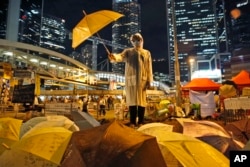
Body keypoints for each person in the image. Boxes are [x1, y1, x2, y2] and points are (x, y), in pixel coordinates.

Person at [108, 33, 153, 127]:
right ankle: (132, 122)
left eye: (138, 39)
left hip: (142, 80)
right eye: (134, 40)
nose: (137, 41)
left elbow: (149, 68)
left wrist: (150, 80)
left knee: (142, 101)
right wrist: (114, 57)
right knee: (132, 101)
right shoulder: (128, 51)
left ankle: (140, 121)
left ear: (142, 40)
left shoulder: (146, 53)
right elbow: (120, 56)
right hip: (131, 80)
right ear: (132, 42)